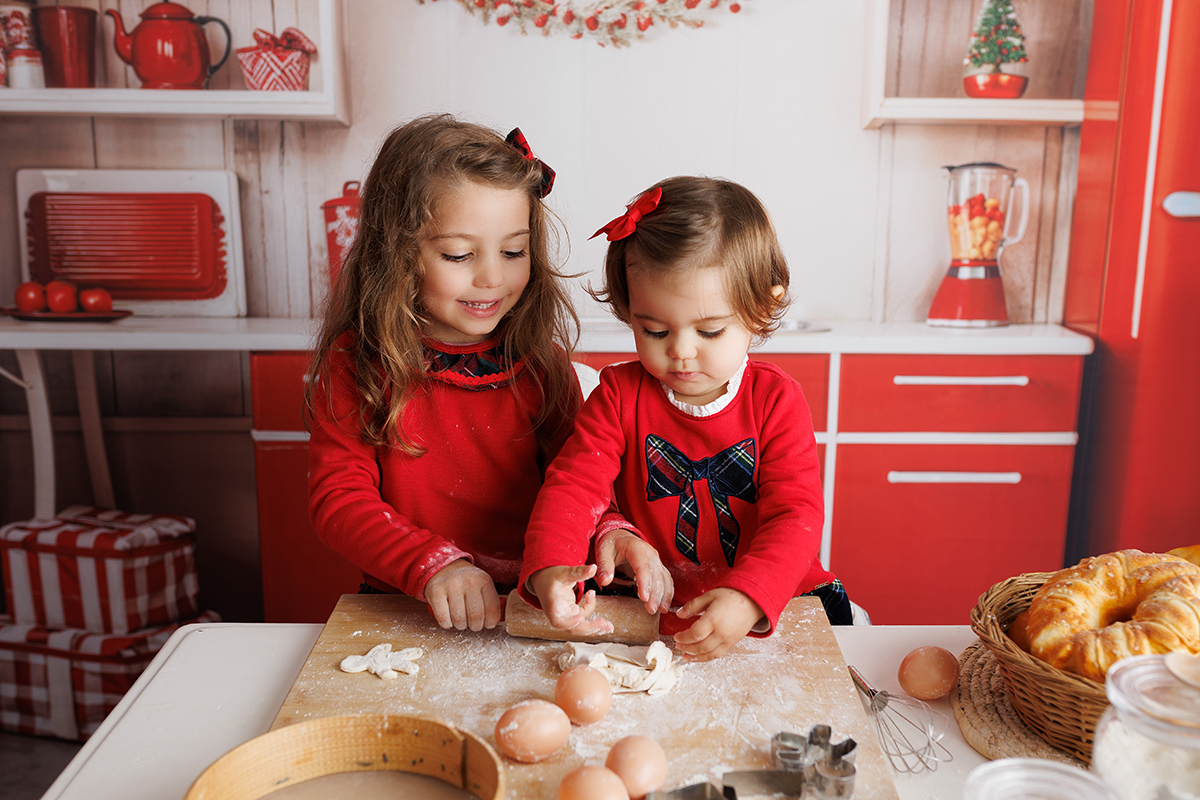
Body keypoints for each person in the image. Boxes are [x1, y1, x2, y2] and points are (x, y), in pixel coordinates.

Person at [306, 114, 647, 633]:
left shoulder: (540, 362)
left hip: (533, 605)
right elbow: (340, 501)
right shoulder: (357, 365)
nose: (492, 277)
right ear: (396, 254)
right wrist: (432, 565)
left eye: (514, 251)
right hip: (410, 605)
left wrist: (611, 532)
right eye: (459, 254)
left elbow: (580, 480)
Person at [520, 176, 853, 661]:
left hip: (774, 599)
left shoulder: (775, 399)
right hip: (662, 605)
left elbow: (795, 515)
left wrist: (749, 596)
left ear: (761, 308)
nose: (680, 352)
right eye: (654, 330)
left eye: (710, 330)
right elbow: (573, 486)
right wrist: (552, 566)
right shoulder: (617, 394)